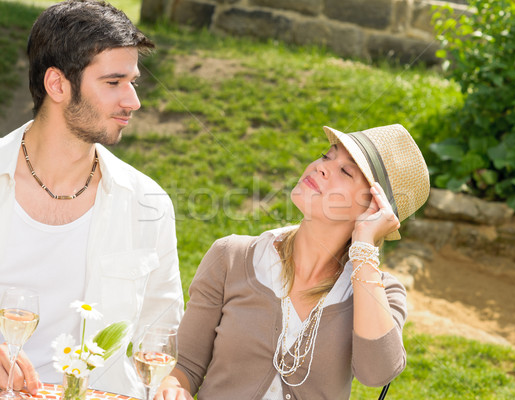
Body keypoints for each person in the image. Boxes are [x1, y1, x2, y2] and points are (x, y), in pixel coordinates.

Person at [0, 0, 184, 397]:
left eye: (133, 81)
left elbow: (163, 333)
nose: (132, 101)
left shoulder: (148, 204)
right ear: (57, 85)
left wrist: (171, 384)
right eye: (113, 82)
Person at [156, 124, 430, 399]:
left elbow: (377, 373)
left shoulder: (379, 291)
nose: (321, 167)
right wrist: (172, 388)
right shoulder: (231, 256)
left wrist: (364, 246)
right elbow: (186, 365)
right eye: (326, 156)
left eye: (346, 171)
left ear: (374, 208)